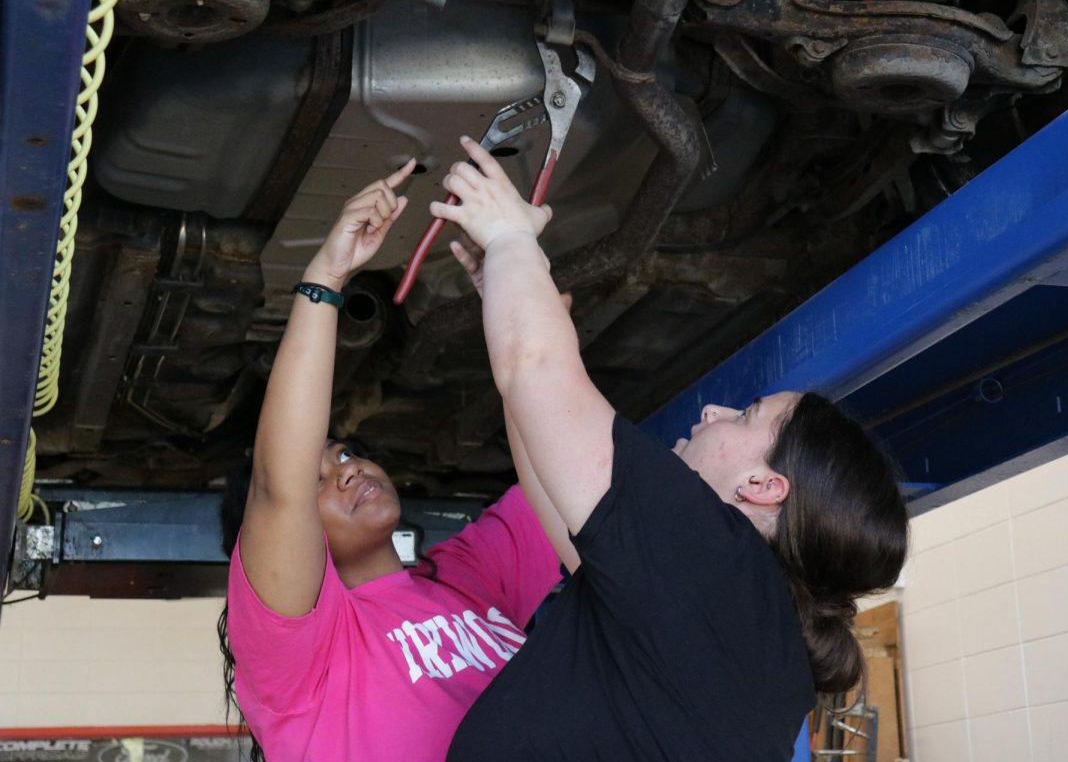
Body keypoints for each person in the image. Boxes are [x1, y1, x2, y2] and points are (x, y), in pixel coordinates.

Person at [436, 136, 911, 761]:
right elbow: (551, 477)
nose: (713, 412)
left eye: (746, 415)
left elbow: (537, 367)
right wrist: (512, 287)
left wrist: (510, 237)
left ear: (763, 487)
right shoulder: (746, 638)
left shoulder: (719, 563)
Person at [216, 163, 563, 762]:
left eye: (345, 453)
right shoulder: (300, 654)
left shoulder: (465, 579)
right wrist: (326, 277)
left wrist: (518, 292)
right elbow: (279, 487)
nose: (347, 468)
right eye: (318, 477)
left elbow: (566, 467)